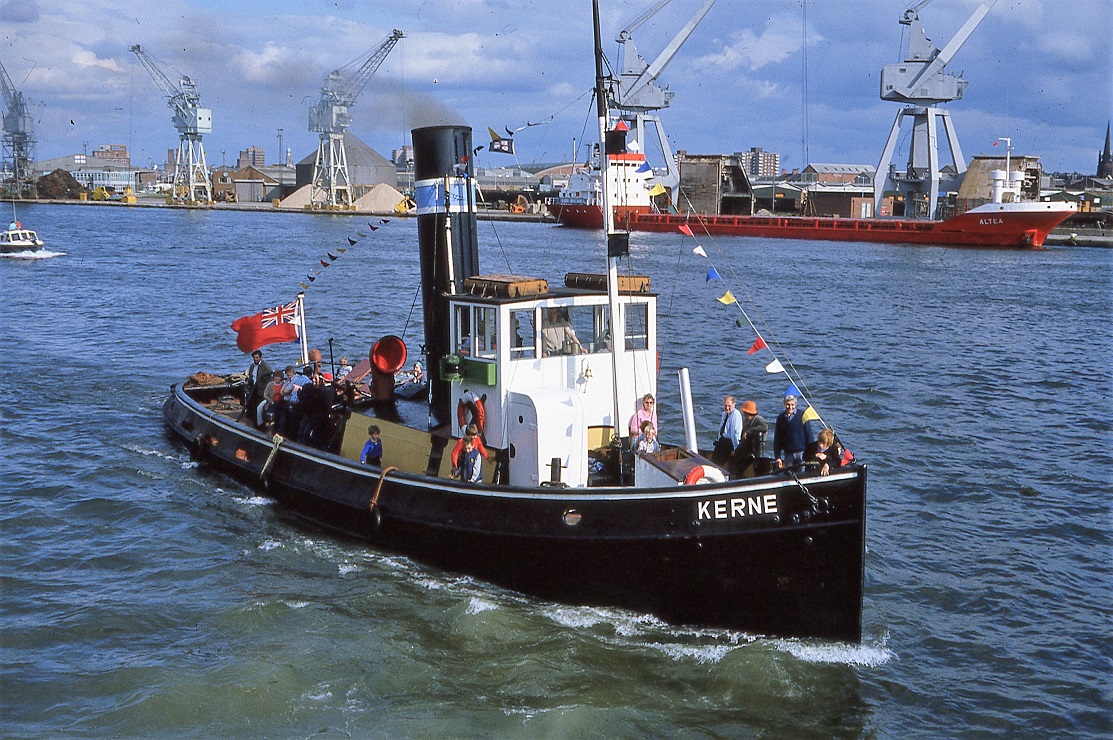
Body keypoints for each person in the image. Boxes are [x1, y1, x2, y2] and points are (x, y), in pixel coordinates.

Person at [774, 394, 807, 469]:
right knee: (789, 477)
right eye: (788, 405)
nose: (790, 407)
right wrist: (777, 456)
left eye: (792, 405)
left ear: (795, 404)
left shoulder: (803, 416)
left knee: (803, 476)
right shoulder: (780, 418)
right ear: (784, 404)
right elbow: (777, 439)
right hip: (788, 454)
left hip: (802, 453)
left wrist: (810, 454)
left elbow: (809, 436)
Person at [711, 396, 743, 467]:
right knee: (713, 462)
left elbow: (735, 433)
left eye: (729, 406)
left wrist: (735, 449)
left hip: (730, 443)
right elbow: (721, 428)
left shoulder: (736, 415)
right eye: (725, 405)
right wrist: (718, 439)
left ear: (734, 404)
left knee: (720, 464)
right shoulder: (724, 414)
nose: (727, 408)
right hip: (722, 441)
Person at [244, 349, 272, 426]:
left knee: (259, 405)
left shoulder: (266, 366)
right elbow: (251, 376)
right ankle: (251, 419)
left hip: (262, 388)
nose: (255, 359)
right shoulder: (252, 366)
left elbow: (269, 377)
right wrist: (248, 382)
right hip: (253, 387)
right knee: (251, 403)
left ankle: (260, 421)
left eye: (257, 357)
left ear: (260, 357)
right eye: (254, 358)